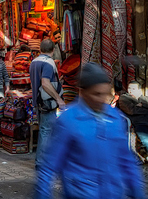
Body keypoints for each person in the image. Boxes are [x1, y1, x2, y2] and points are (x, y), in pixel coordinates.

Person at [35, 63, 145, 198]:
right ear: (83, 92)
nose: (102, 99)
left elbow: (126, 159)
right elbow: (49, 165)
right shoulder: (69, 120)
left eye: (105, 94)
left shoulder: (114, 117)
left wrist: (137, 191)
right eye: (96, 94)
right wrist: (42, 194)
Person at [29, 39, 65, 170]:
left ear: (40, 49)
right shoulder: (49, 63)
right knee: (46, 131)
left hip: (37, 101)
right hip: (47, 102)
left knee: (44, 130)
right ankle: (42, 163)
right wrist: (58, 99)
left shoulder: (34, 62)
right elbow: (45, 83)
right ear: (53, 50)